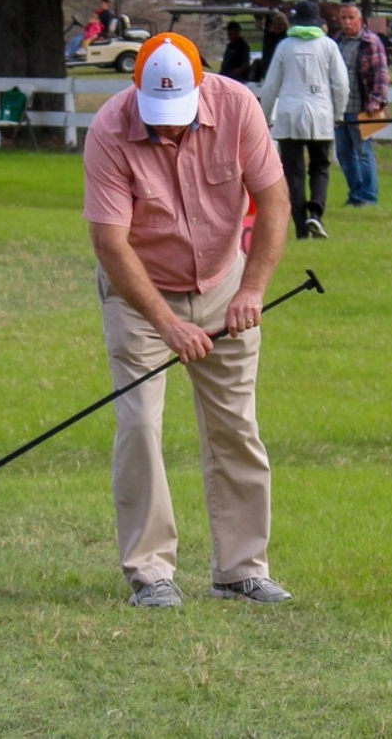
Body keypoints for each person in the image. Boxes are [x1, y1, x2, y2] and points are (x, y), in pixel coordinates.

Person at [81, 33, 293, 609]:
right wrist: (167, 324)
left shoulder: (237, 106)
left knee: (236, 428)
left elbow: (273, 202)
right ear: (136, 90)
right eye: (159, 117)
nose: (169, 130)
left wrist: (252, 289)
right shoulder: (108, 131)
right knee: (142, 426)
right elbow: (110, 242)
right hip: (140, 293)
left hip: (226, 284)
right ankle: (151, 574)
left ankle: (240, 569)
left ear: (201, 87)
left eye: (178, 116)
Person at [257, 1, 349, 240]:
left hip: (289, 114)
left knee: (293, 172)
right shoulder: (329, 46)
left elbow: (270, 86)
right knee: (320, 166)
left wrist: (264, 116)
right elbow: (341, 84)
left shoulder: (285, 46)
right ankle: (316, 213)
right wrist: (338, 113)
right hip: (320, 113)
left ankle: (300, 227)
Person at [330, 3, 390, 208]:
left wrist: (374, 103)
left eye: (351, 18)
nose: (347, 22)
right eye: (343, 18)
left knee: (363, 153)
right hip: (340, 110)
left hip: (362, 109)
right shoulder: (335, 42)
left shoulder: (370, 42)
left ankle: (369, 196)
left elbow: (381, 77)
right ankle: (355, 194)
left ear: (360, 20)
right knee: (344, 154)